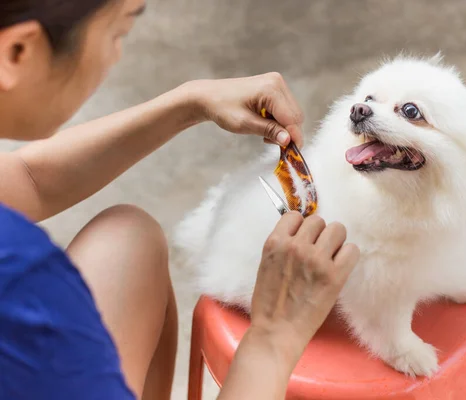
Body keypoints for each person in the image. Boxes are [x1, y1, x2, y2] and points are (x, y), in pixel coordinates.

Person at [0, 1, 360, 399]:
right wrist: (273, 338)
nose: (116, 54)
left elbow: (27, 182)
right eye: (115, 34)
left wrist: (190, 103)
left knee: (127, 240)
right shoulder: (24, 281)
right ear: (17, 51)